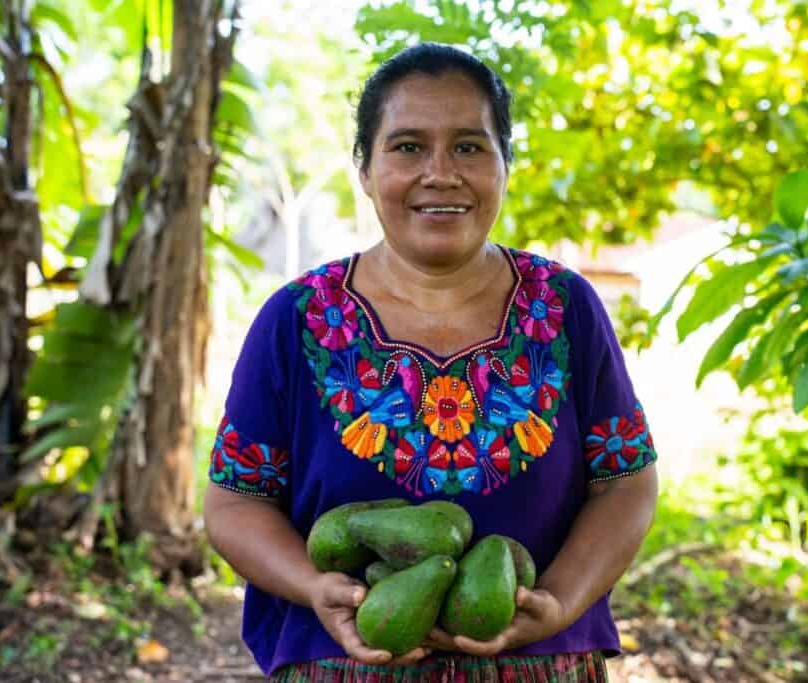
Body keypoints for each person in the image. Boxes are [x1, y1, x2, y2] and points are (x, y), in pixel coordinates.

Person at [203, 42, 659, 682]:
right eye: (408, 146)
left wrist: (558, 601)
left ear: (505, 164)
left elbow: (626, 483)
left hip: (541, 665)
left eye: (469, 147)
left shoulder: (563, 307)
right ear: (366, 169)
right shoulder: (298, 318)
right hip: (342, 665)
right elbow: (235, 502)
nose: (440, 173)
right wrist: (313, 586)